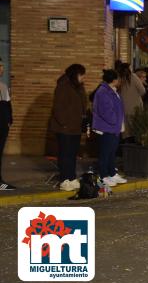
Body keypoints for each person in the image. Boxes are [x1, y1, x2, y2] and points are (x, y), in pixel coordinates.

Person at [49, 64, 88, 192]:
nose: (83, 77)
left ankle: (71, 177)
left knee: (72, 154)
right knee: (65, 154)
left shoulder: (79, 87)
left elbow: (83, 104)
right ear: (74, 74)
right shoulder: (63, 87)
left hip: (75, 127)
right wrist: (64, 123)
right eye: (81, 74)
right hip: (64, 128)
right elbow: (58, 108)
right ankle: (64, 179)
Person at [92, 69, 127, 187]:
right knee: (105, 153)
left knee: (112, 153)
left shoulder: (112, 90)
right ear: (114, 80)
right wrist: (115, 121)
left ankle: (111, 173)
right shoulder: (103, 92)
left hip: (114, 128)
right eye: (118, 78)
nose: (120, 80)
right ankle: (103, 176)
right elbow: (106, 111)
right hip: (107, 128)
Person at [117, 63, 146, 142]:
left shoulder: (119, 79)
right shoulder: (133, 77)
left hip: (123, 109)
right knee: (135, 133)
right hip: (135, 109)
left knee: (126, 134)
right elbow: (143, 91)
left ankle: (125, 151)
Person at [0, 58, 14, 190]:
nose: (2, 69)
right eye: (0, 66)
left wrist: (10, 120)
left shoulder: (3, 86)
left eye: (2, 66)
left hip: (3, 126)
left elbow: (7, 106)